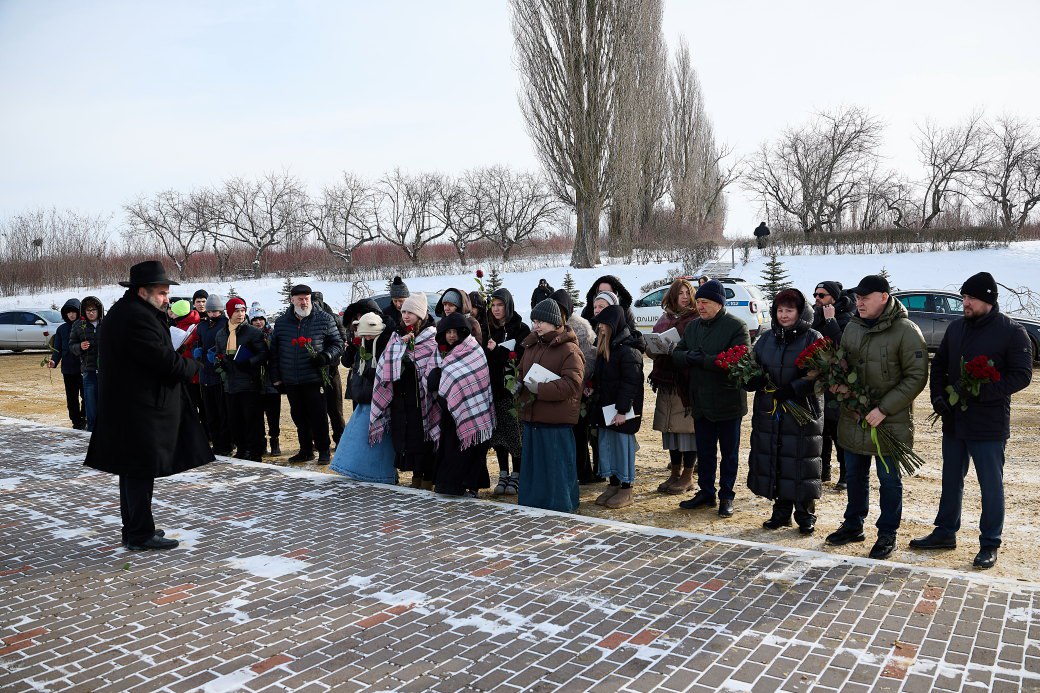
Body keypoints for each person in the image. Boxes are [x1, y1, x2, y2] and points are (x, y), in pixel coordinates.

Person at [84, 260, 214, 551]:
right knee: (139, 471)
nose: (167, 299)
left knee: (132, 471)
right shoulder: (135, 317)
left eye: (167, 293)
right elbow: (162, 360)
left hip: (130, 406)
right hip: (137, 408)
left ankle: (134, 528)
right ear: (142, 291)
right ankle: (141, 533)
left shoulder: (128, 311)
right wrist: (192, 365)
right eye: (162, 293)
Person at [911, 272, 1033, 570]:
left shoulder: (1012, 332)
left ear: (988, 300)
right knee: (951, 480)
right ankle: (945, 532)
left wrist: (982, 392)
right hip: (954, 420)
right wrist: (938, 397)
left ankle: (990, 542)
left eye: (971, 298)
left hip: (988, 424)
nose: (965, 303)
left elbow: (1022, 375)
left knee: (990, 485)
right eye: (964, 297)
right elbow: (938, 365)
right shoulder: (956, 328)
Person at [825, 275, 927, 560]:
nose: (859, 303)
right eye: (857, 298)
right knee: (855, 476)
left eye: (865, 298)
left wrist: (883, 409)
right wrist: (837, 384)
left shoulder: (906, 331)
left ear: (884, 297)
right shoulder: (852, 328)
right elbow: (843, 364)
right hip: (855, 416)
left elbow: (917, 376)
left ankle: (887, 533)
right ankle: (854, 524)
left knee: (889, 480)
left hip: (888, 421)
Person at [747, 289, 824, 534]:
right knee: (778, 460)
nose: (784, 315)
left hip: (801, 409)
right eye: (780, 310)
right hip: (771, 409)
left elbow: (820, 373)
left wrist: (796, 388)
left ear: (800, 312)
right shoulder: (767, 338)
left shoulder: (813, 337)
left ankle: (805, 514)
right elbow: (752, 365)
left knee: (800, 461)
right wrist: (753, 380)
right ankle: (780, 513)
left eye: (789, 310)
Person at [671, 279, 751, 518]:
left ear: (719, 303)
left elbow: (740, 360)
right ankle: (706, 492)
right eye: (699, 302)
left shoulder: (736, 326)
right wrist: (688, 357)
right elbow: (677, 353)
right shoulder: (694, 326)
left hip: (728, 402)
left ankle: (727, 495)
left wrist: (703, 360)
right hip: (701, 401)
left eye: (705, 302)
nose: (701, 306)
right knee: (705, 452)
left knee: (729, 453)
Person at [516, 298, 584, 513]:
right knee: (535, 467)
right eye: (534, 321)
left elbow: (572, 384)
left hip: (556, 420)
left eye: (540, 321)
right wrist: (517, 382)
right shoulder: (532, 345)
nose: (536, 325)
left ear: (556, 323)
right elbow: (521, 370)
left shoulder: (569, 350)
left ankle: (561, 506)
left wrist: (540, 389)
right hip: (533, 417)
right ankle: (533, 504)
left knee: (557, 467)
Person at [369, 292, 439, 488]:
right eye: (404, 311)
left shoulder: (431, 338)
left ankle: (428, 478)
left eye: (411, 312)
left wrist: (411, 362)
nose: (406, 315)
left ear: (421, 315)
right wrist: (400, 350)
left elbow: (433, 365)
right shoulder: (396, 335)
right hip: (401, 397)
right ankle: (416, 477)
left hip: (422, 400)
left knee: (424, 439)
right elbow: (385, 362)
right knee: (408, 440)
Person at [270, 285, 343, 463]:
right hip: (292, 378)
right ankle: (306, 449)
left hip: (314, 378)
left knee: (318, 415)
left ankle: (324, 450)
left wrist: (325, 356)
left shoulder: (324, 319)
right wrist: (277, 377)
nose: (304, 302)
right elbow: (275, 352)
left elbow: (337, 343)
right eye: (300, 299)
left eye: (307, 299)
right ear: (292, 300)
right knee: (299, 416)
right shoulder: (281, 323)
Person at [428, 312, 495, 497]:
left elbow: (478, 379)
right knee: (452, 452)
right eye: (448, 332)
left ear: (463, 331)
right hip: (451, 414)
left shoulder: (474, 350)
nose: (451, 336)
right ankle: (451, 485)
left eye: (455, 332)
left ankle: (471, 485)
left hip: (475, 412)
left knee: (472, 451)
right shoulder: (446, 354)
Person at [331, 311, 397, 483]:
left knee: (376, 441)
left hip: (377, 399)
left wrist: (370, 373)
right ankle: (354, 468)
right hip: (362, 396)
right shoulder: (360, 344)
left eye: (367, 334)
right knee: (357, 436)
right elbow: (346, 362)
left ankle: (380, 474)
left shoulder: (385, 345)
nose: (365, 338)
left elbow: (387, 372)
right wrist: (353, 346)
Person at [590, 305, 643, 509]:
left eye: (604, 324)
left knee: (622, 448)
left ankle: (626, 488)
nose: (600, 327)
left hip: (621, 413)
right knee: (608, 447)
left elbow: (631, 385)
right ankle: (613, 484)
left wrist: (622, 411)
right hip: (606, 410)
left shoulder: (629, 351)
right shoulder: (607, 348)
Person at [648, 278, 699, 495]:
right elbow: (651, 348)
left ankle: (688, 475)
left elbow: (696, 348)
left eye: (688, 293)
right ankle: (674, 472)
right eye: (681, 293)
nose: (685, 297)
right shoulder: (664, 318)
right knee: (670, 431)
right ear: (673, 296)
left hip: (684, 383)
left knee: (686, 432)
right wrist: (653, 347)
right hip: (665, 381)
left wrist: (678, 351)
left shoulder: (695, 319)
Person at [484, 288, 531, 496]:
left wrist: (500, 351)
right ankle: (503, 472)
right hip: (494, 389)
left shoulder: (521, 328)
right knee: (499, 435)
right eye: (493, 305)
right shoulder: (488, 328)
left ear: (508, 306)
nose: (496, 309)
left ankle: (517, 474)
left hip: (513, 390)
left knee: (515, 434)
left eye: (500, 305)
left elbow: (522, 357)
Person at [551, 289, 599, 484]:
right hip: (558, 388)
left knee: (579, 434)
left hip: (577, 389)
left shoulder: (579, 328)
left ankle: (584, 473)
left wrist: (573, 380)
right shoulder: (549, 324)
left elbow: (587, 359)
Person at [810, 280, 855, 489]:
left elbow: (843, 348)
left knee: (837, 429)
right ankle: (823, 470)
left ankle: (845, 474)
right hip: (820, 380)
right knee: (822, 427)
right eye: (815, 295)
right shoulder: (814, 317)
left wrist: (831, 322)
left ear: (834, 299)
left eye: (822, 295)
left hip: (839, 382)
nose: (817, 299)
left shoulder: (846, 319)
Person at [215, 297, 269, 462]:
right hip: (230, 384)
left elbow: (264, 353)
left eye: (243, 311)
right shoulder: (221, 333)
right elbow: (219, 353)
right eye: (236, 311)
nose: (240, 314)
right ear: (229, 313)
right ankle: (242, 449)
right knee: (234, 419)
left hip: (249, 383)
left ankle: (255, 451)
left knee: (252, 419)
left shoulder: (253, 332)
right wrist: (220, 363)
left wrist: (249, 363)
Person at [194, 294, 233, 456]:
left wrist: (219, 356)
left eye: (215, 312)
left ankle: (226, 444)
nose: (212, 315)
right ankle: (216, 443)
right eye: (210, 312)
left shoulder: (226, 325)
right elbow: (199, 341)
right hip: (205, 374)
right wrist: (197, 350)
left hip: (218, 374)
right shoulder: (202, 326)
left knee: (222, 411)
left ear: (221, 311)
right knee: (210, 412)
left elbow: (229, 346)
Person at [313, 290, 347, 445]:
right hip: (314, 371)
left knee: (335, 409)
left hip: (331, 369)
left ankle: (340, 439)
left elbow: (341, 341)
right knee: (316, 410)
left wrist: (329, 356)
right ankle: (319, 440)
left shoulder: (332, 318)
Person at [580, 275, 645, 352]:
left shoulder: (625, 311)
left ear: (615, 293)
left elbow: (631, 334)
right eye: (600, 292)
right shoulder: (589, 311)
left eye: (607, 292)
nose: (603, 294)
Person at [249, 303, 281, 456]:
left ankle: (275, 441)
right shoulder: (247, 335)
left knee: (273, 415)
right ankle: (261, 444)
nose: (258, 322)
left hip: (272, 382)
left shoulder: (273, 334)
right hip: (255, 383)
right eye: (254, 320)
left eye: (260, 319)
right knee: (257, 416)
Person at [48, 298, 85, 429]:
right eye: (68, 312)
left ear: (79, 312)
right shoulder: (61, 329)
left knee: (86, 395)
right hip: (68, 369)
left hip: (83, 368)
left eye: (74, 312)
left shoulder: (84, 327)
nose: (71, 315)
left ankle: (84, 417)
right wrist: (53, 361)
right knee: (71, 397)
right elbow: (57, 350)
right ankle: (76, 421)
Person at [69, 296, 104, 432]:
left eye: (93, 310)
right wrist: (80, 346)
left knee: (105, 401)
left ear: (99, 310)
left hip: (104, 371)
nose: (91, 312)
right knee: (90, 402)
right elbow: (71, 345)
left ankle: (105, 431)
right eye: (88, 310)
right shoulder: (78, 325)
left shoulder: (105, 323)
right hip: (88, 370)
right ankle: (91, 431)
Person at [170, 299, 205, 434]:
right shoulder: (179, 325)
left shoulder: (193, 327)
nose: (171, 314)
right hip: (183, 371)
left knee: (197, 404)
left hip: (192, 372)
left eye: (173, 312)